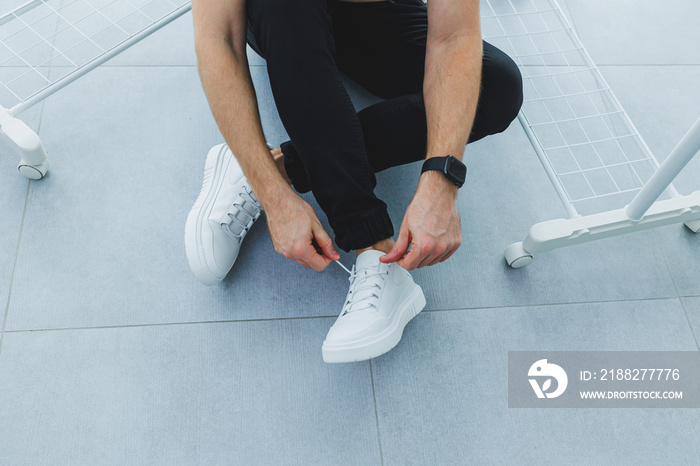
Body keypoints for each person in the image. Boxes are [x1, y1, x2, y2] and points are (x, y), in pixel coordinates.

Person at [185, 0, 523, 363]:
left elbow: (455, 36)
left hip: (376, 13)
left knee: (496, 86)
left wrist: (442, 178)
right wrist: (274, 200)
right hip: (281, 16)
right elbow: (220, 38)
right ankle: (375, 252)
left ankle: (276, 167)